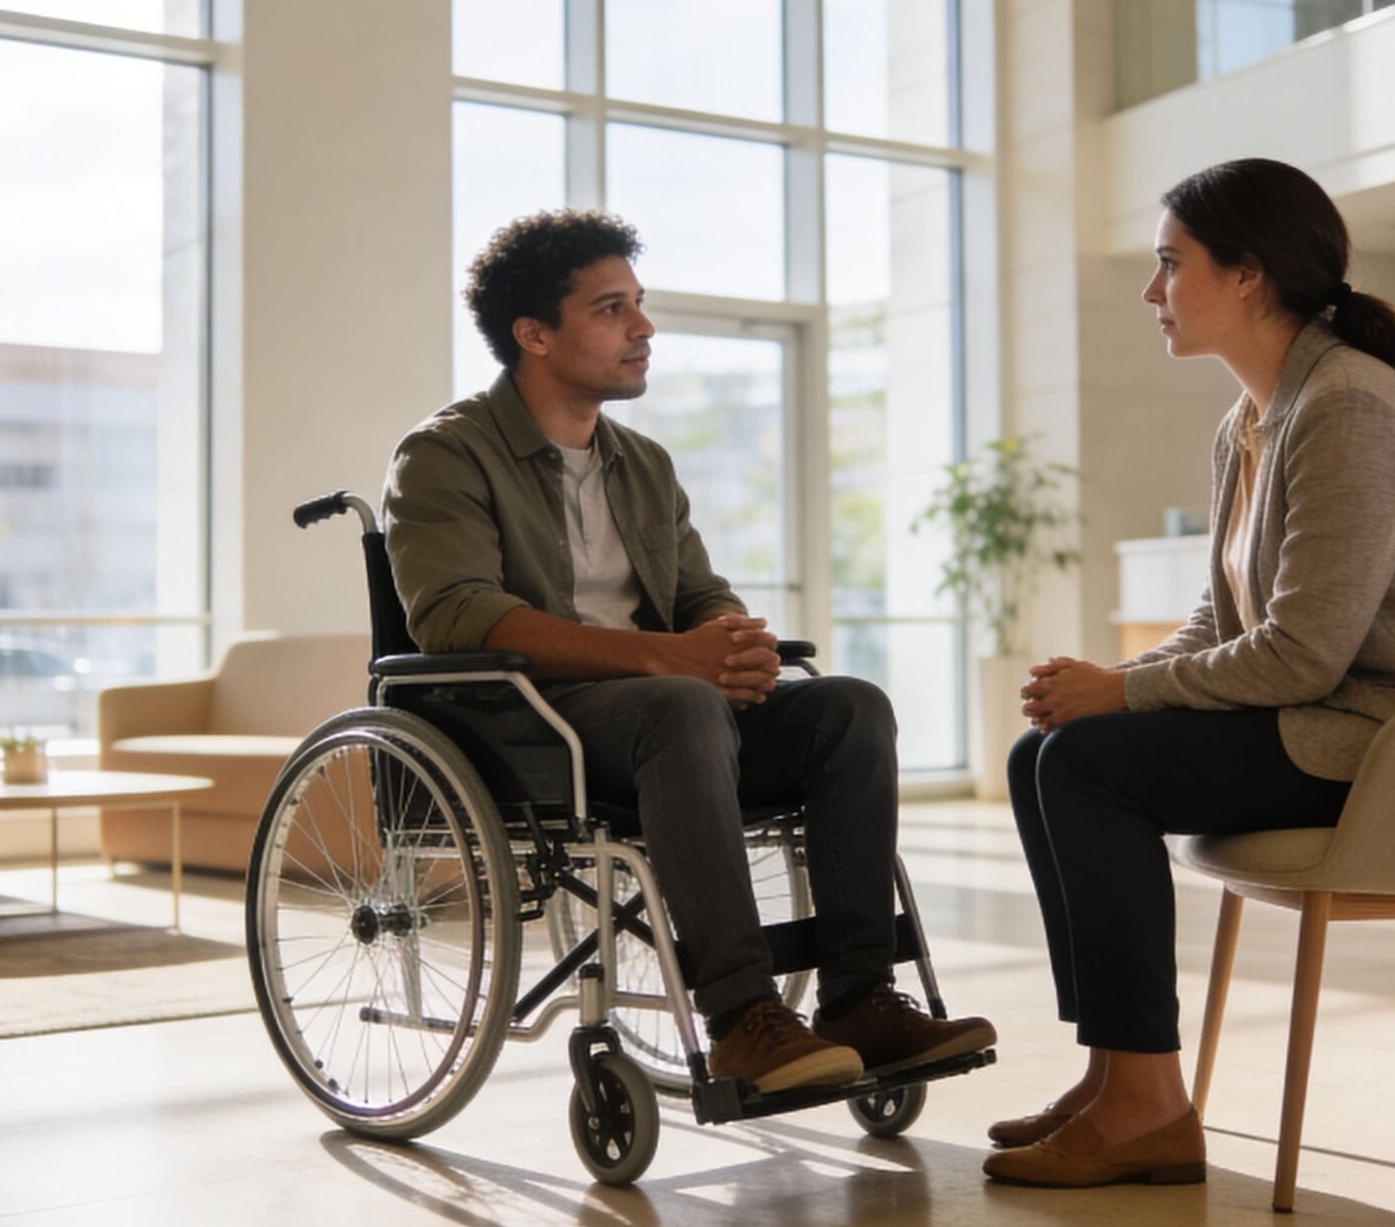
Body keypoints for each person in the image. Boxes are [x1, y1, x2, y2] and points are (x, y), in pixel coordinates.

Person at [984, 158, 1395, 1188]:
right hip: (1333, 713)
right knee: (1044, 752)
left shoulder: (1348, 408)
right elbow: (1222, 616)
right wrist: (1107, 682)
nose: (1152, 294)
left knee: (1086, 766)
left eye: (1167, 265)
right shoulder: (1250, 419)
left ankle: (1147, 1106)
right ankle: (1116, 1073)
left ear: (1247, 275)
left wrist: (1122, 695)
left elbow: (1304, 649)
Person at [385, 209, 996, 1095]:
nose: (643, 329)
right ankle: (743, 1016)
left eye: (638, 304)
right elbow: (457, 616)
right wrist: (669, 660)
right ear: (534, 335)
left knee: (849, 706)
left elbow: (697, 594)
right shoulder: (445, 453)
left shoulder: (644, 463)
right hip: (533, 722)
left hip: (671, 716)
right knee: (682, 701)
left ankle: (860, 996)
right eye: (610, 309)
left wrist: (733, 641)